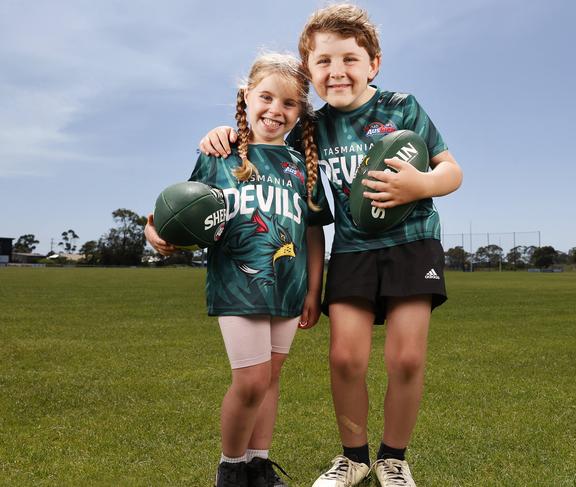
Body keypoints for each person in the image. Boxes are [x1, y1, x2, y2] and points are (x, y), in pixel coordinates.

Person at [198, 5, 463, 486]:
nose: (336, 71)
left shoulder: (401, 106)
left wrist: (418, 185)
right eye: (323, 62)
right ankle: (355, 457)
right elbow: (264, 141)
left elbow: (452, 171)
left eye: (349, 59)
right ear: (310, 71)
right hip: (353, 250)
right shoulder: (310, 129)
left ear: (373, 64)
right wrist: (224, 133)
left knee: (406, 358)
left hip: (412, 243)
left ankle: (393, 459)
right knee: (344, 359)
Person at [146, 52, 332, 487]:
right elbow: (181, 211)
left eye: (288, 104)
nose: (275, 110)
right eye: (266, 97)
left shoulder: (301, 166)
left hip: (288, 287)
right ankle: (230, 469)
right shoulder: (220, 152)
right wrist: (153, 232)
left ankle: (258, 464)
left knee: (269, 381)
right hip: (239, 284)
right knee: (249, 382)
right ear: (246, 97)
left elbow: (313, 234)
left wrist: (313, 290)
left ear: (299, 112)